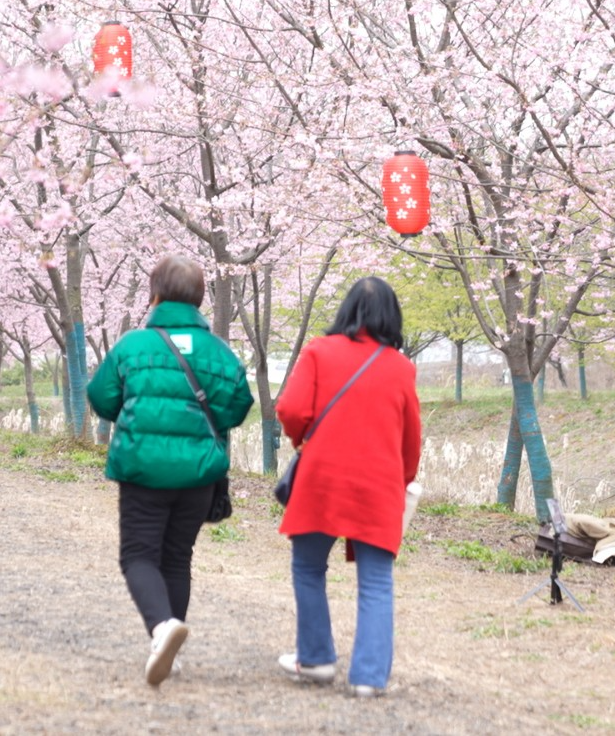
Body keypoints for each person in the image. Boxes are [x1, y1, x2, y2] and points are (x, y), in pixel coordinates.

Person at [85, 255, 253, 686]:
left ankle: (162, 630)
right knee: (177, 558)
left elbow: (102, 399)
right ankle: (169, 648)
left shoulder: (132, 346)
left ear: (154, 293)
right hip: (198, 474)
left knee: (139, 555)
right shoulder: (219, 352)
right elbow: (237, 407)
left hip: (143, 469)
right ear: (200, 297)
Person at [273, 277, 422, 697]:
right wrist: (402, 480)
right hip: (378, 484)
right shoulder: (401, 367)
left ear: (346, 310)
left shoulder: (319, 351)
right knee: (376, 582)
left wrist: (302, 437)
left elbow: (290, 408)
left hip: (322, 477)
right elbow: (411, 439)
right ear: (392, 318)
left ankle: (317, 659)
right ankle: (369, 679)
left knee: (308, 568)